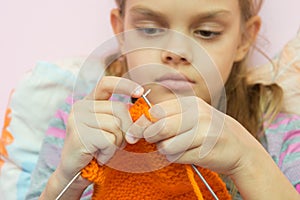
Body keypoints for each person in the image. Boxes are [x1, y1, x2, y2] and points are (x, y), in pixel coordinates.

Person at [25, 0, 300, 199]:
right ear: (120, 31)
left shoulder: (280, 137)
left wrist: (248, 161)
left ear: (243, 39)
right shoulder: (81, 120)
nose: (176, 51)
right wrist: (65, 180)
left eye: (206, 32)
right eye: (150, 29)